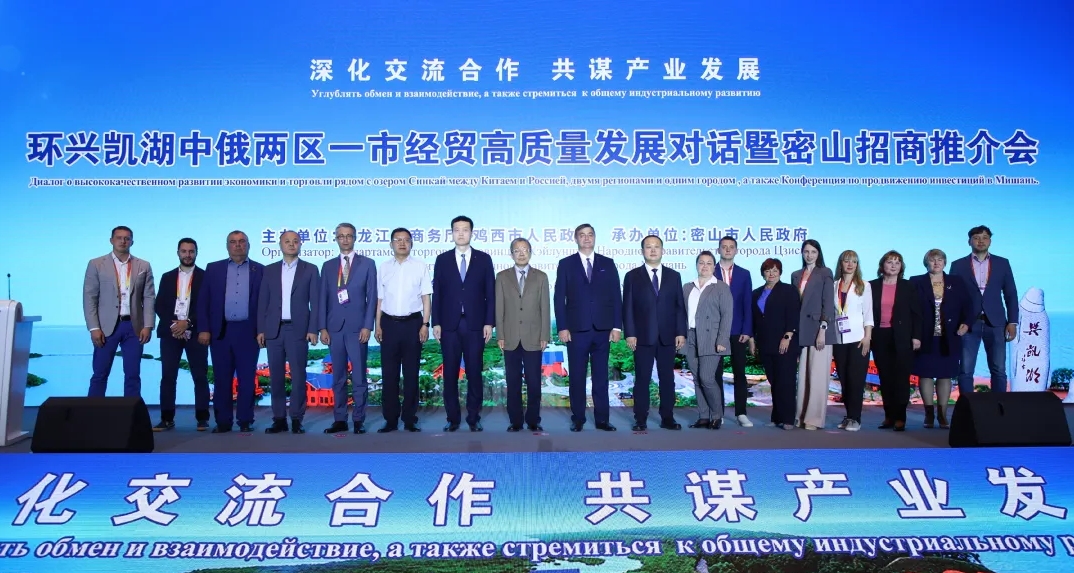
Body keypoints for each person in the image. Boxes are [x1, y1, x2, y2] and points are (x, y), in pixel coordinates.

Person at [554, 224, 623, 432]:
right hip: (576, 330)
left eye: (590, 235)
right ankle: (578, 419)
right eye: (582, 235)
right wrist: (562, 327)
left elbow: (616, 296)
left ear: (595, 237)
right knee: (577, 377)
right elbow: (559, 298)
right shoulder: (566, 264)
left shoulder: (607, 263)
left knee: (601, 377)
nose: (586, 238)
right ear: (576, 239)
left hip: (603, 329)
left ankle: (602, 420)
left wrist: (617, 327)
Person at [432, 215, 495, 432]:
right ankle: (453, 418)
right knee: (450, 373)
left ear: (471, 233)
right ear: (451, 233)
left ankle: (473, 418)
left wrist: (489, 322)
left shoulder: (484, 259)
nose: (461, 233)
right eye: (457, 230)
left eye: (465, 229)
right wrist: (436, 322)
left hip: (475, 324)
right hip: (449, 325)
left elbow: (490, 293)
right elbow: (437, 294)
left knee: (474, 372)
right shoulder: (442, 260)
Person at [197, 231, 263, 433]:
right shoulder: (214, 268)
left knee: (247, 378)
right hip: (221, 331)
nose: (238, 245)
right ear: (227, 246)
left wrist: (262, 330)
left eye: (242, 241)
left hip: (248, 331)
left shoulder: (260, 269)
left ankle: (245, 420)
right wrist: (204, 329)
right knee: (221, 378)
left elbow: (265, 304)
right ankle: (223, 422)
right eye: (233, 242)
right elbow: (203, 301)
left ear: (248, 245)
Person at [257, 231, 320, 435]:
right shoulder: (269, 270)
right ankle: (279, 419)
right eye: (287, 241)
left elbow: (316, 303)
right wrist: (261, 329)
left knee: (298, 376)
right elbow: (263, 302)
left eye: (295, 241)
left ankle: (296, 419)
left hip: (298, 329)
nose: (291, 244)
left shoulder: (310, 269)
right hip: (274, 330)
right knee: (275, 377)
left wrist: (313, 329)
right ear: (280, 244)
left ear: (300, 244)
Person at [623, 235, 687, 431]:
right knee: (642, 379)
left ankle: (667, 418)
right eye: (648, 247)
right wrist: (630, 333)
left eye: (656, 246)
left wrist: (681, 332)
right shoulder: (632, 276)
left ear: (662, 250)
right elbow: (627, 307)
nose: (653, 250)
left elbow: (679, 306)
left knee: (667, 379)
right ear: (642, 251)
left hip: (668, 336)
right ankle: (640, 419)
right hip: (642, 336)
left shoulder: (674, 276)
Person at [83, 226, 156, 398]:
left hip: (134, 327)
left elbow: (149, 297)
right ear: (111, 240)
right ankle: (91, 412)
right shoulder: (96, 264)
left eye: (127, 238)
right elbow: (89, 297)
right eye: (119, 238)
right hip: (105, 327)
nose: (123, 241)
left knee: (133, 375)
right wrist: (94, 328)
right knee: (100, 374)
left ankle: (131, 413)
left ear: (132, 241)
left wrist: (148, 325)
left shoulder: (143, 265)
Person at [318, 223, 377, 434]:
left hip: (357, 328)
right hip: (334, 328)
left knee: (359, 377)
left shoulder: (368, 264)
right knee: (338, 377)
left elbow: (372, 298)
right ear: (336, 239)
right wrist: (322, 327)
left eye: (349, 236)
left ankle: (359, 420)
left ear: (355, 238)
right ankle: (340, 419)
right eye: (341, 236)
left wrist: (367, 326)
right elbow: (322, 299)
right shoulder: (327, 266)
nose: (345, 239)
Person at [375, 228, 432, 433]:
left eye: (406, 240)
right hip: (388, 324)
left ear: (411, 244)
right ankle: (390, 420)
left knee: (411, 374)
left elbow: (426, 298)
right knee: (389, 375)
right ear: (391, 244)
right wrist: (377, 325)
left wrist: (425, 324)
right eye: (398, 240)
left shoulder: (420, 266)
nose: (402, 243)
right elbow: (379, 299)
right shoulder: (383, 267)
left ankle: (409, 419)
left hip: (413, 324)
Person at [950, 225, 1018, 394]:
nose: (981, 241)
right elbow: (952, 297)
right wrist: (954, 323)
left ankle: (999, 405)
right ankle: (968, 406)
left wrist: (1012, 322)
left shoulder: (1002, 263)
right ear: (969, 241)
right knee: (965, 370)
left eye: (985, 237)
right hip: (967, 324)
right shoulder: (958, 265)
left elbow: (1010, 293)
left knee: (999, 370)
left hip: (996, 323)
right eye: (976, 238)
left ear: (990, 241)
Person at [911, 249, 971, 429]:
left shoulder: (956, 281)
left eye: (940, 259)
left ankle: (943, 414)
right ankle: (929, 414)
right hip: (924, 336)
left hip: (950, 336)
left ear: (945, 262)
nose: (936, 263)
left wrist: (966, 324)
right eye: (932, 260)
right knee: (926, 373)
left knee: (946, 374)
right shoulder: (916, 281)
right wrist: (914, 335)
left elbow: (968, 305)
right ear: (926, 263)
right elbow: (910, 310)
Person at [153, 238, 209, 431]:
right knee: (168, 376)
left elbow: (207, 306)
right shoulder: (167, 277)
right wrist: (175, 326)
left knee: (200, 376)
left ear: (196, 253)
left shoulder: (205, 277)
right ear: (178, 253)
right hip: (171, 333)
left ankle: (202, 418)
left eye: (191, 251)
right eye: (184, 251)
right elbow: (159, 305)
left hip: (196, 332)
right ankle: (167, 418)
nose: (187, 255)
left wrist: (188, 323)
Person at [495, 238, 550, 432]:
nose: (521, 253)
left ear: (530, 252)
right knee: (513, 382)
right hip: (510, 337)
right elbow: (499, 308)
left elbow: (545, 308)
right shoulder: (502, 277)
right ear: (511, 254)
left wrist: (545, 335)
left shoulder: (541, 277)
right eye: (517, 250)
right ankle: (516, 421)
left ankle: (534, 420)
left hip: (534, 337)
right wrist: (500, 335)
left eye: (525, 249)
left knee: (534, 382)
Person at [869, 251, 922, 432]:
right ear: (882, 265)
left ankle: (900, 417)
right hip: (879, 336)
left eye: (897, 262)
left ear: (901, 267)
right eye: (890, 262)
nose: (893, 265)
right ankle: (889, 416)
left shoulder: (908, 286)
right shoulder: (872, 286)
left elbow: (917, 313)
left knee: (901, 377)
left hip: (902, 336)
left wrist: (916, 336)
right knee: (885, 377)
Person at [683, 251, 733, 429]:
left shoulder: (721, 287)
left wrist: (722, 340)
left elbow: (727, 315)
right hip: (690, 336)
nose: (705, 266)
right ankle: (703, 416)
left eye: (709, 263)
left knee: (707, 378)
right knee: (697, 379)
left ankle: (717, 415)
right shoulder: (687, 287)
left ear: (714, 266)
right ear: (696, 265)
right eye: (701, 263)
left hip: (711, 338)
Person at [749, 259, 800, 430]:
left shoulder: (789, 290)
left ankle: (788, 419)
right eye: (768, 270)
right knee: (774, 381)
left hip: (785, 342)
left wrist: (788, 336)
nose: (771, 274)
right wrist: (752, 340)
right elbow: (754, 319)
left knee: (786, 380)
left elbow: (794, 315)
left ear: (780, 272)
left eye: (775, 270)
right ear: (763, 273)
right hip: (765, 342)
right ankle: (777, 417)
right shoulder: (756, 293)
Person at [790, 239, 835, 430]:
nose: (809, 255)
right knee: (803, 377)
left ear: (819, 254)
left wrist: (823, 329)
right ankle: (801, 416)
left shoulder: (825, 273)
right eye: (806, 251)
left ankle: (814, 419)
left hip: (819, 329)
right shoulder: (796, 275)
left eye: (813, 252)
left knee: (817, 377)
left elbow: (828, 303)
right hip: (802, 330)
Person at [830, 250, 873, 432]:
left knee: (856, 380)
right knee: (844, 380)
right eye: (847, 261)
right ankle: (849, 416)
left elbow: (868, 313)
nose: (850, 264)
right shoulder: (833, 285)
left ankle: (856, 418)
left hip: (858, 339)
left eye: (854, 261)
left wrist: (868, 337)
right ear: (841, 264)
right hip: (839, 339)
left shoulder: (864, 285)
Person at [714, 236, 755, 427]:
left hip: (738, 330)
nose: (728, 250)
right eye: (724, 247)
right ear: (718, 250)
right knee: (716, 374)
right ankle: (718, 413)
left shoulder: (744, 274)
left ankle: (741, 413)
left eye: (731, 247)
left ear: (736, 250)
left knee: (739, 373)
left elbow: (747, 303)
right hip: (715, 331)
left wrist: (747, 330)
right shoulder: (710, 271)